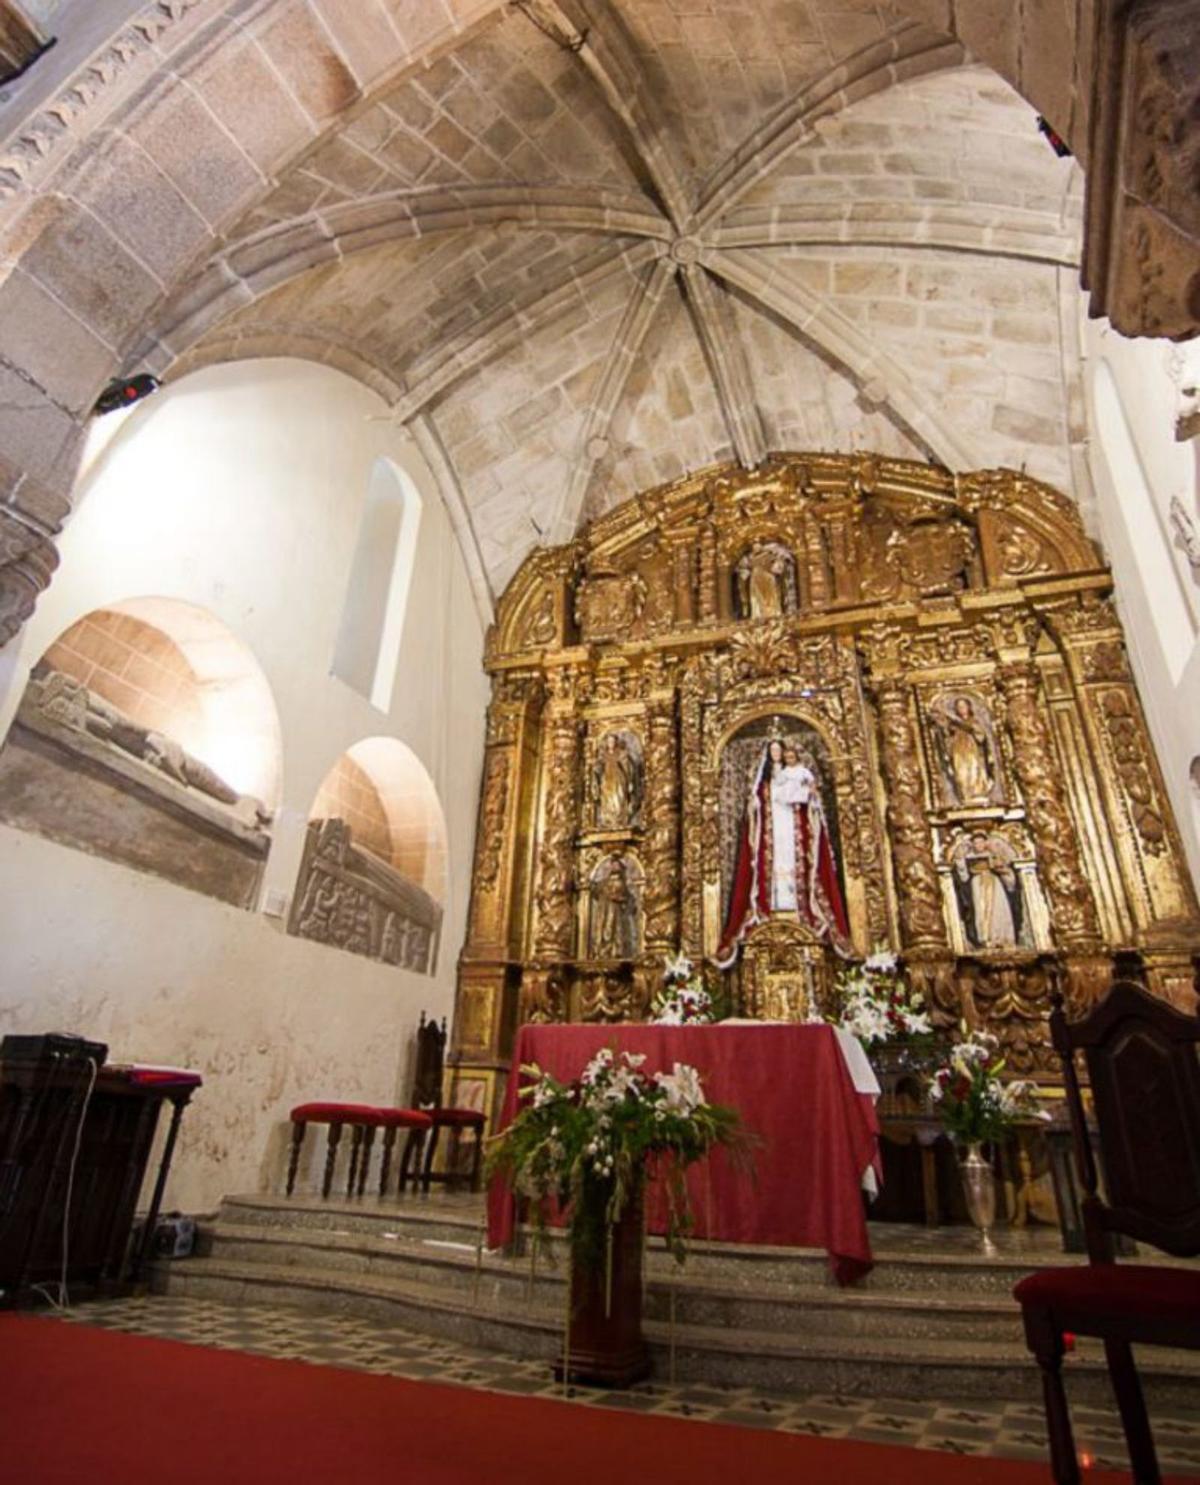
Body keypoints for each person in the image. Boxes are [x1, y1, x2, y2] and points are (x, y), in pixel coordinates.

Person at [717, 736, 851, 965]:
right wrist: (755, 805)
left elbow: (810, 801)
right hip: (773, 834)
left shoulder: (799, 774)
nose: (777, 754)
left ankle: (799, 911)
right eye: (774, 751)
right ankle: (771, 909)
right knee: (773, 866)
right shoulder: (764, 784)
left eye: (780, 750)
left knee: (795, 865)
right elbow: (755, 808)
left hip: (793, 829)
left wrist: (810, 796)